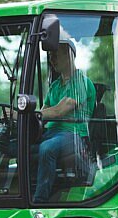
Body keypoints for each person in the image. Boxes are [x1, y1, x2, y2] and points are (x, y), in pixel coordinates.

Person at [33, 38, 96, 203]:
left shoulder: (80, 82)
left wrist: (32, 115)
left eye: (55, 55)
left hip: (73, 135)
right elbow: (43, 112)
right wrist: (19, 117)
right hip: (52, 133)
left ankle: (39, 201)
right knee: (12, 144)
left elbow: (60, 111)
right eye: (50, 56)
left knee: (47, 148)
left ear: (69, 55)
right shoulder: (55, 86)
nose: (52, 60)